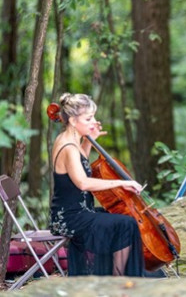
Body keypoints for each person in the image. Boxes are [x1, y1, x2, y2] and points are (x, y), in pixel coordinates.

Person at [49, 92, 144, 277]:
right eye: (89, 118)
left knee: (120, 217)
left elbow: (81, 164)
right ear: (73, 121)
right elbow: (83, 183)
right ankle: (118, 280)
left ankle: (116, 277)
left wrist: (89, 140)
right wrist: (121, 183)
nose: (93, 121)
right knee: (126, 224)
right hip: (71, 218)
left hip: (79, 211)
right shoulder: (68, 146)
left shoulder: (70, 140)